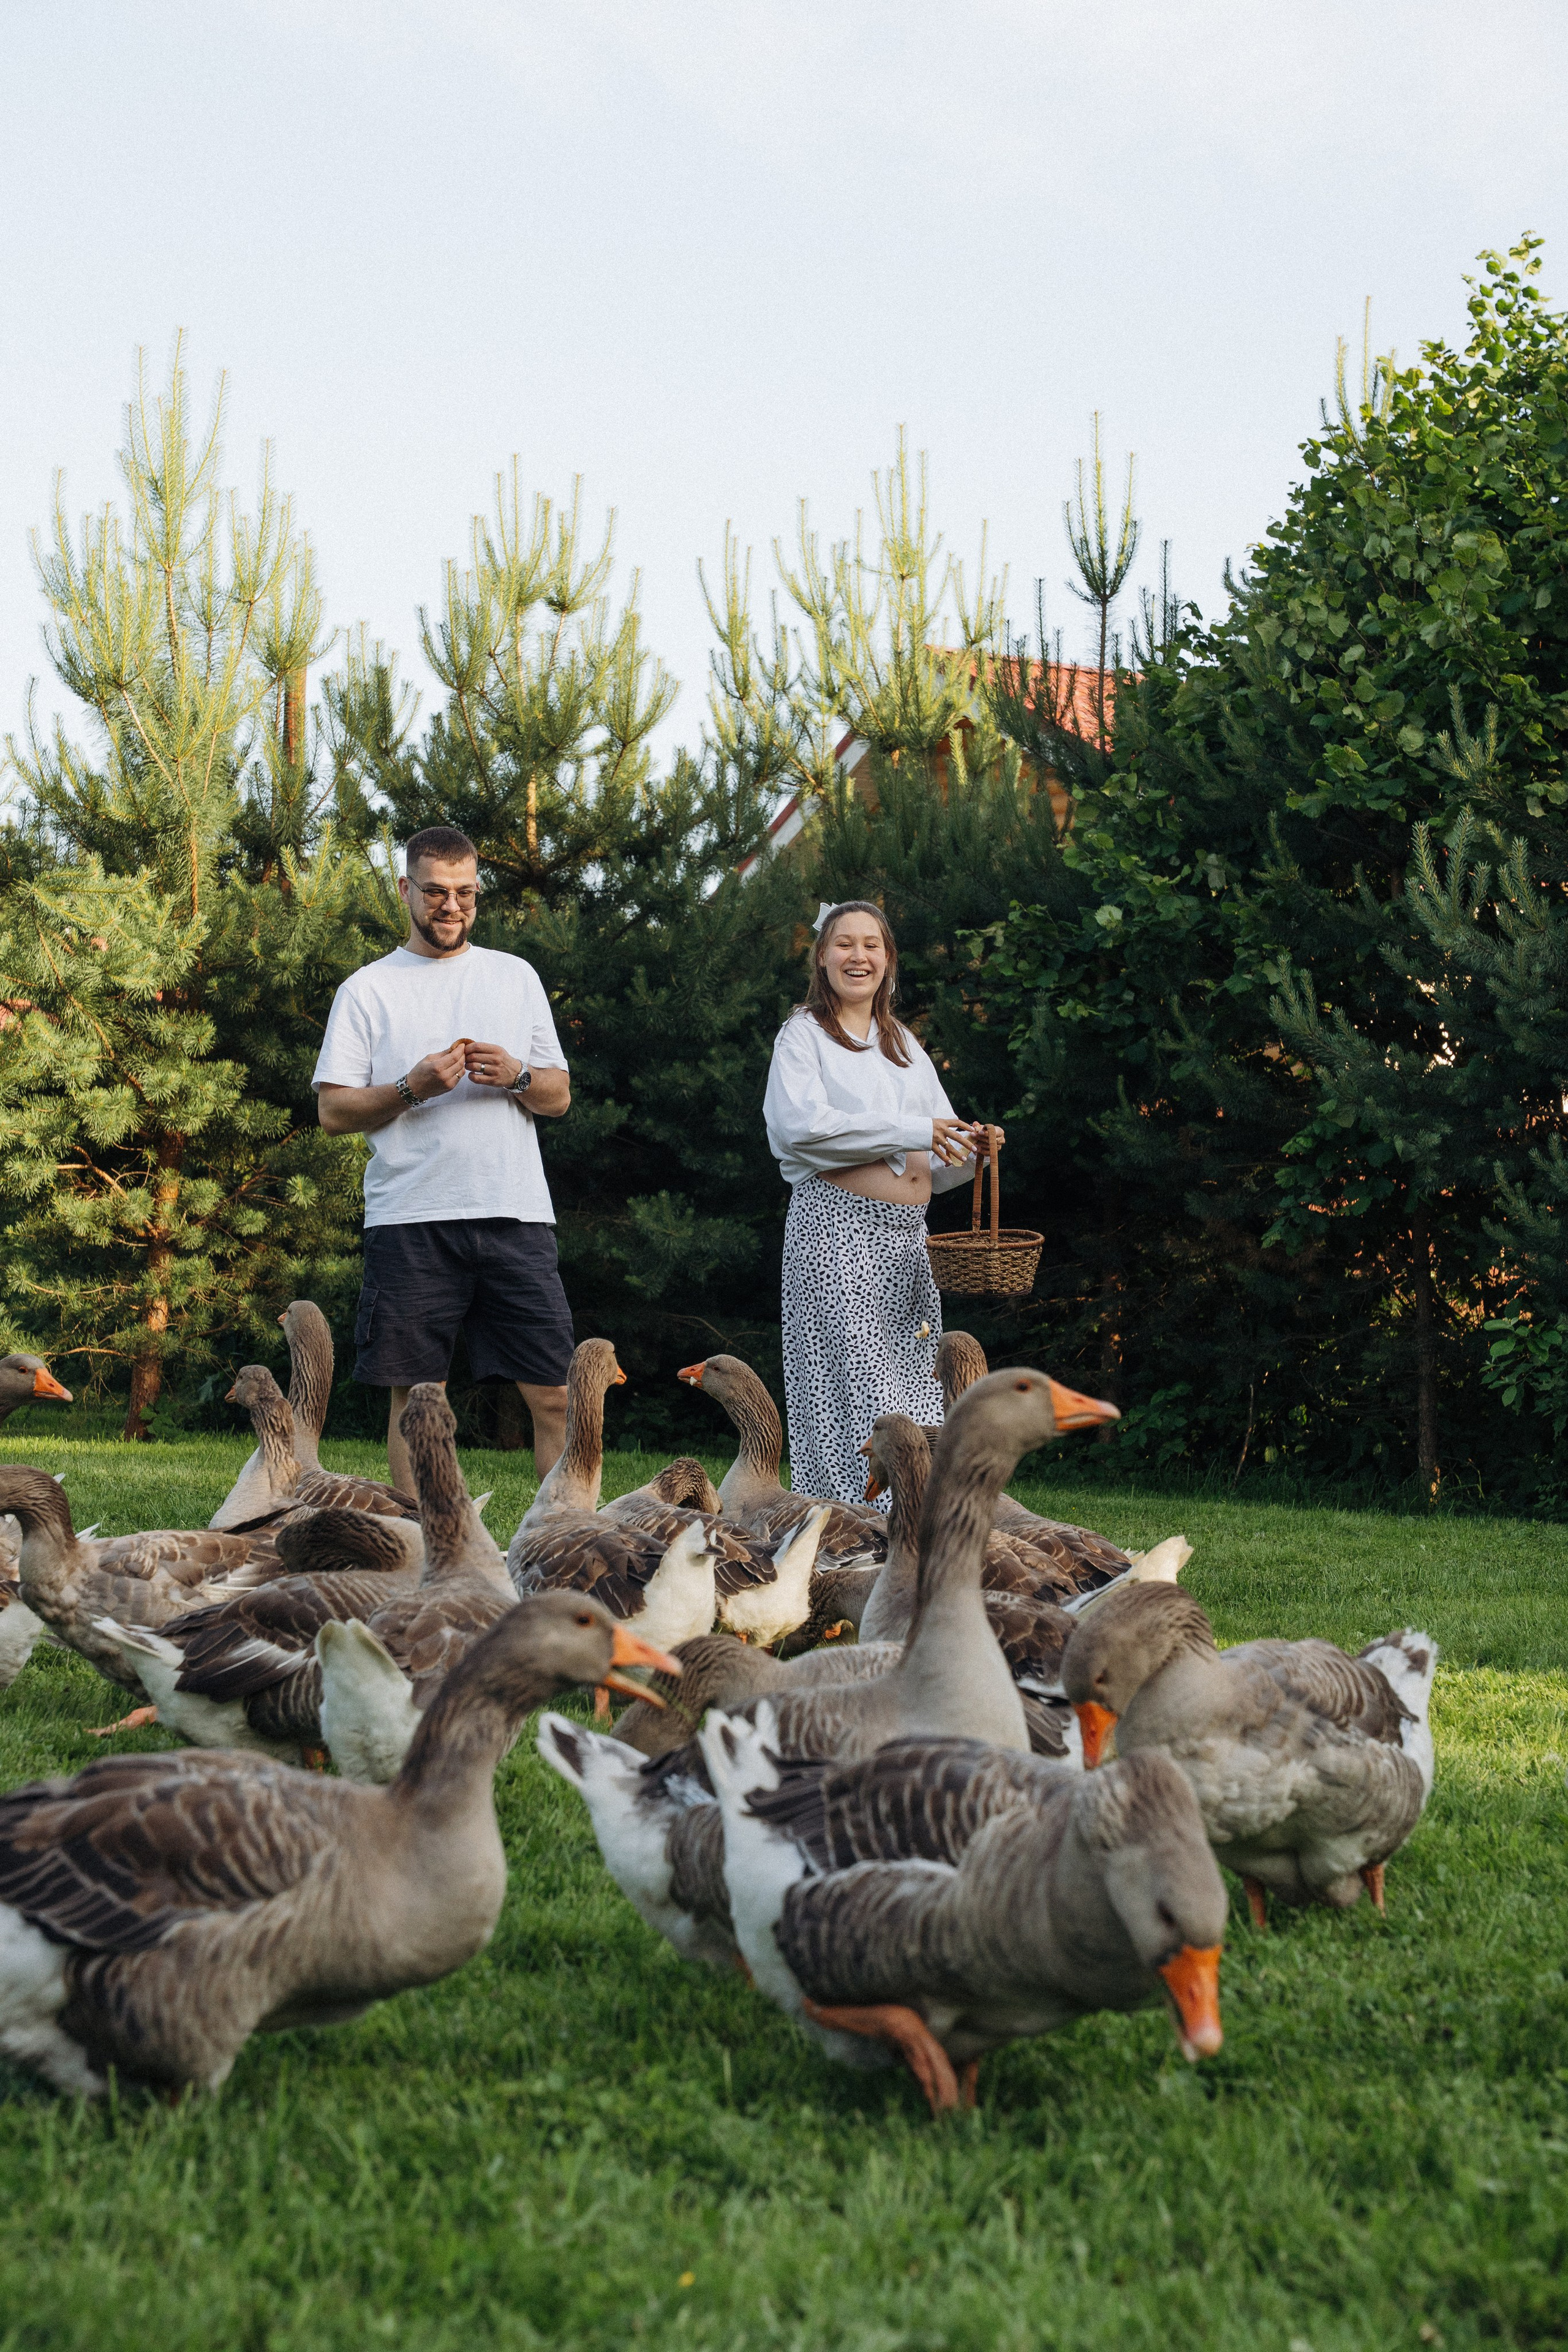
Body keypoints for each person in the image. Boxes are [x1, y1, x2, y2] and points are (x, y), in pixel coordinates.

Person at [313, 824, 575, 1490]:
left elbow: (558, 1097)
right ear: (406, 890)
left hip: (514, 1213)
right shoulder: (368, 990)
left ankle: (566, 1552)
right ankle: (421, 1564)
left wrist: (517, 1074)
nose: (450, 906)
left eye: (465, 893)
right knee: (417, 1403)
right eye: (434, 892)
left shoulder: (514, 977)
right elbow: (333, 1112)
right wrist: (412, 1087)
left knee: (556, 1397)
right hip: (411, 1218)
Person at [761, 899, 1000, 1509]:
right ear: (821, 956)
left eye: (872, 945)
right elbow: (802, 1130)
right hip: (837, 1233)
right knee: (858, 1391)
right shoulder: (804, 1036)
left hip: (906, 1242)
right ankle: (858, 1528)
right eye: (844, 943)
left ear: (888, 961)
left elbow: (936, 1157)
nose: (858, 956)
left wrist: (974, 1150)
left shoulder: (902, 1045)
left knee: (917, 1390)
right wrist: (914, 1130)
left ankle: (919, 1518)